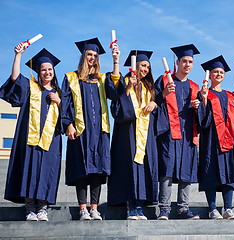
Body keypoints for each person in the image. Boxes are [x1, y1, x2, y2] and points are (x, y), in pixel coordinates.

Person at [0, 45, 62, 221]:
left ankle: (42, 208)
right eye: (43, 69)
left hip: (51, 141)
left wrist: (59, 102)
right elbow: (14, 78)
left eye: (50, 69)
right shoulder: (30, 87)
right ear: (38, 72)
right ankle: (29, 209)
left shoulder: (60, 94)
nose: (47, 72)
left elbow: (68, 118)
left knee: (46, 172)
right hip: (29, 140)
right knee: (30, 170)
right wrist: (18, 55)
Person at [61, 37, 118, 221]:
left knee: (98, 171)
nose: (92, 58)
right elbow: (66, 103)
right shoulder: (71, 77)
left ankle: (94, 208)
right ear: (83, 56)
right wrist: (68, 124)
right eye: (89, 54)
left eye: (95, 55)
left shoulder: (102, 79)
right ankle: (83, 208)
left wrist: (116, 61)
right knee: (82, 170)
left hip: (100, 132)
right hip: (80, 131)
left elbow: (116, 92)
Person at [107, 48, 158, 220]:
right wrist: (128, 88)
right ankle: (130, 206)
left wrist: (154, 105)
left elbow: (156, 111)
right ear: (134, 66)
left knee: (143, 168)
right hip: (127, 134)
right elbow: (117, 107)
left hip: (145, 136)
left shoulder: (149, 88)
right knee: (128, 168)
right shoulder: (124, 81)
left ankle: (140, 206)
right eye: (143, 65)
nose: (145, 70)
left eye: (148, 67)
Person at [154, 44, 200, 220]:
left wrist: (199, 107)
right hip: (168, 133)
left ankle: (183, 208)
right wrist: (163, 94)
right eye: (184, 61)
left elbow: (203, 115)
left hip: (188, 134)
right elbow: (152, 102)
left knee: (186, 170)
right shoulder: (164, 81)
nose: (187, 65)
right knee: (167, 169)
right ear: (177, 62)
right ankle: (164, 209)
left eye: (190, 62)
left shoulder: (195, 87)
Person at [197, 55, 234, 220]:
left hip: (229, 141)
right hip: (210, 141)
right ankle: (212, 209)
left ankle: (228, 208)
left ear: (224, 75)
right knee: (210, 172)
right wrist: (202, 101)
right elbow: (201, 120)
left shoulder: (231, 96)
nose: (218, 74)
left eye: (221, 72)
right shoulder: (204, 93)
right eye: (215, 72)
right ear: (209, 75)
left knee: (229, 174)